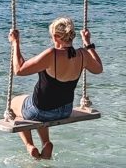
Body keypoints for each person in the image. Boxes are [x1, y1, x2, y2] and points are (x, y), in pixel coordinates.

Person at [7, 16, 103, 160]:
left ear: (57, 37)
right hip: (65, 110)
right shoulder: (83, 54)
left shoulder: (52, 54)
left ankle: (29, 146)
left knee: (15, 103)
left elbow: (19, 70)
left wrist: (15, 43)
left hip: (40, 111)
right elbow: (99, 69)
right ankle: (46, 143)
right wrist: (88, 44)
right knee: (41, 106)